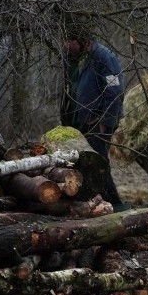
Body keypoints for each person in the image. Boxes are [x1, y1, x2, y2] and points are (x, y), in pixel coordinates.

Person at [60, 26, 126, 208]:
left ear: (81, 41)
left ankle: (115, 205)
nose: (66, 46)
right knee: (88, 166)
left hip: (98, 123)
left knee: (99, 166)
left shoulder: (104, 58)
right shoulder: (81, 59)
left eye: (70, 42)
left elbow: (114, 91)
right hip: (84, 123)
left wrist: (106, 121)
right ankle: (97, 203)